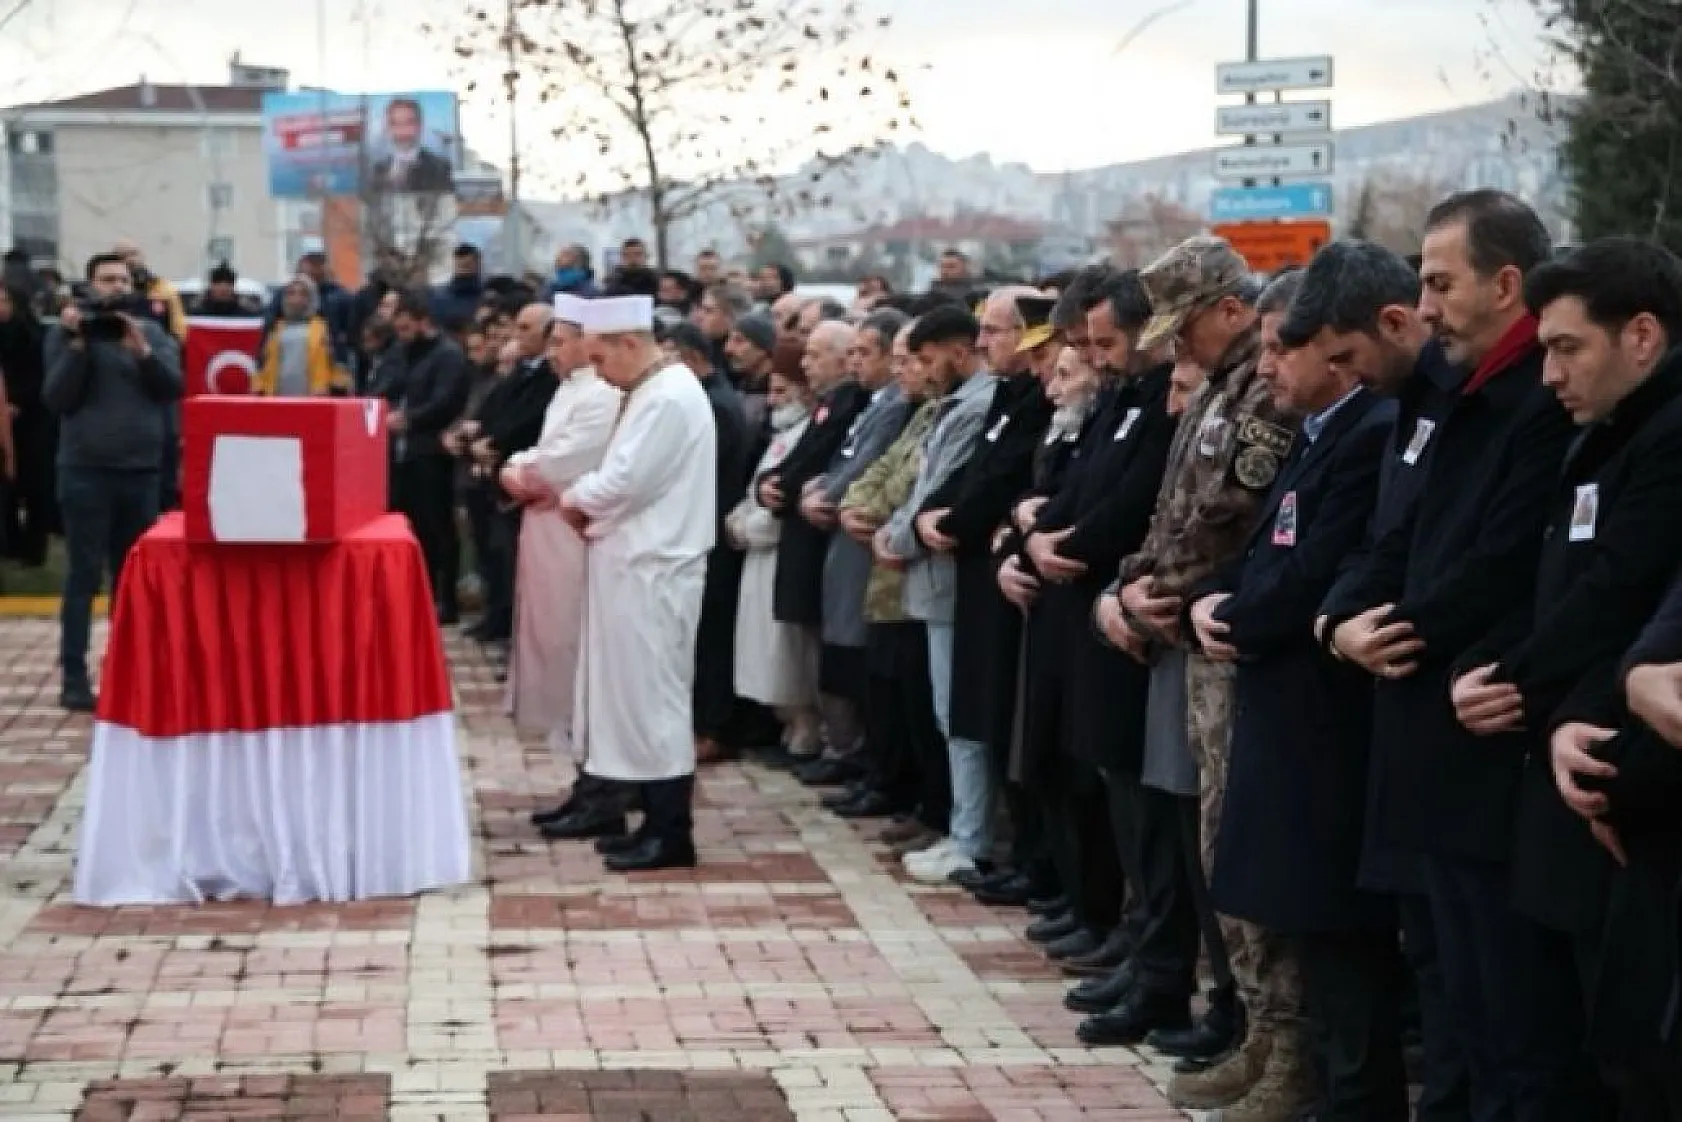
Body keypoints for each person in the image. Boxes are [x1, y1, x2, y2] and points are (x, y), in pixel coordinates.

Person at [1323, 189, 1583, 1121]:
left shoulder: (1540, 406)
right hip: (1419, 737)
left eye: (1440, 283)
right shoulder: (1452, 393)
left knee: (1511, 1022)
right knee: (1450, 998)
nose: (1424, 307)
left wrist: (1398, 631)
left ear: (1506, 283)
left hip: (1482, 739)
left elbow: (1501, 563)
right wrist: (1338, 622)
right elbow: (1399, 536)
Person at [1470, 238, 1682, 1120]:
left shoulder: (1666, 438)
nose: (1549, 372)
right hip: (1579, 758)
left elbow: (1625, 600)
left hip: (1633, 792)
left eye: (1567, 348)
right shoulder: (1602, 433)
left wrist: (1528, 687)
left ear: (1641, 335)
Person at [1192, 269, 1403, 1121]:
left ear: (1338, 355)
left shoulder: (1367, 431)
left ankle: (1351, 1097)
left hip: (1325, 716)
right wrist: (1220, 597)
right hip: (1285, 704)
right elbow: (1268, 546)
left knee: (1341, 932)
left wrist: (1237, 613)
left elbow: (1313, 568)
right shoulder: (1320, 432)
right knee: (1309, 925)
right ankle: (1317, 1078)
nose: (1268, 365)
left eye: (1285, 347)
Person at [561, 294, 717, 873]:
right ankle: (651, 819)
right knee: (633, 698)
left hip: (657, 569)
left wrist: (575, 499)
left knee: (656, 702)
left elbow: (625, 481)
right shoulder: (649, 391)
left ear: (631, 343)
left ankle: (670, 829)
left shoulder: (670, 397)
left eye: (601, 359)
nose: (598, 373)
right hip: (633, 566)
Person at [878, 304, 999, 884]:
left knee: (961, 718)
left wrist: (899, 535)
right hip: (931, 579)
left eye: (927, 360)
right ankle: (963, 828)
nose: (922, 373)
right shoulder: (951, 406)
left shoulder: (974, 408)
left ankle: (972, 834)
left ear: (957, 351)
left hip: (950, 580)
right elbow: (922, 488)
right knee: (948, 715)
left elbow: (941, 493)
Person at [502, 298, 623, 834]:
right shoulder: (569, 389)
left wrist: (518, 470)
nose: (552, 352)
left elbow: (558, 464)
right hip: (546, 532)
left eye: (559, 341)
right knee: (556, 652)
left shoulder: (600, 395)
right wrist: (523, 466)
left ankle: (602, 784)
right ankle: (583, 776)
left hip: (573, 537)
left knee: (578, 654)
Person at [43, 251, 182, 711]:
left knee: (134, 579)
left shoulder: (154, 334)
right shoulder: (66, 335)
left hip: (140, 472)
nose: (116, 287)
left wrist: (142, 352)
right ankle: (74, 677)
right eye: (106, 280)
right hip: (85, 470)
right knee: (84, 575)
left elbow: (171, 390)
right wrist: (79, 346)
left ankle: (133, 673)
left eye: (123, 280)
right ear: (89, 286)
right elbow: (57, 398)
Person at [662, 321, 750, 763]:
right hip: (704, 528)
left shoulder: (713, 403)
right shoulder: (704, 397)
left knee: (712, 635)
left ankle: (714, 727)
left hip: (711, 530)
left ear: (690, 357)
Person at [727, 366, 822, 759]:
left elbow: (785, 501)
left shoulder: (807, 434)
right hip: (757, 557)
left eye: (782, 390)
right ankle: (784, 725)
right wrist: (738, 520)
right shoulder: (780, 437)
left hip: (779, 553)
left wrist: (751, 527)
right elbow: (757, 491)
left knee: (785, 653)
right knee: (759, 649)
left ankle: (805, 729)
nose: (773, 400)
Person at [388, 290, 471, 624]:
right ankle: (417, 594)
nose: (402, 335)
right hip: (404, 453)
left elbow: (446, 400)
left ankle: (446, 599)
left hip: (432, 452)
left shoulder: (447, 356)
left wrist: (410, 419)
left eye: (408, 328)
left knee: (439, 527)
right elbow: (392, 385)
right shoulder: (404, 352)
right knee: (413, 527)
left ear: (424, 323)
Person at [0, 284, 51, 567]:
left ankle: (33, 549)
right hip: (1, 423)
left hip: (33, 422)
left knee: (35, 486)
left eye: (5, 300)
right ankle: (9, 543)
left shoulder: (35, 335)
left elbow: (43, 376)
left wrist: (17, 403)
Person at [253, 276, 351, 397]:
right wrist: (259, 388)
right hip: (276, 399)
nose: (296, 299)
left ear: (312, 298)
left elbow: (338, 363)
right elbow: (262, 362)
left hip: (315, 399)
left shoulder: (325, 327)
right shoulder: (274, 328)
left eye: (303, 294)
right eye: (291, 293)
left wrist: (338, 389)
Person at [373, 96, 455, 192]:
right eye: (395, 124)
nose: (402, 131)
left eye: (409, 123)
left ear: (419, 126)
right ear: (388, 128)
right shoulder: (379, 169)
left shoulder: (440, 168)